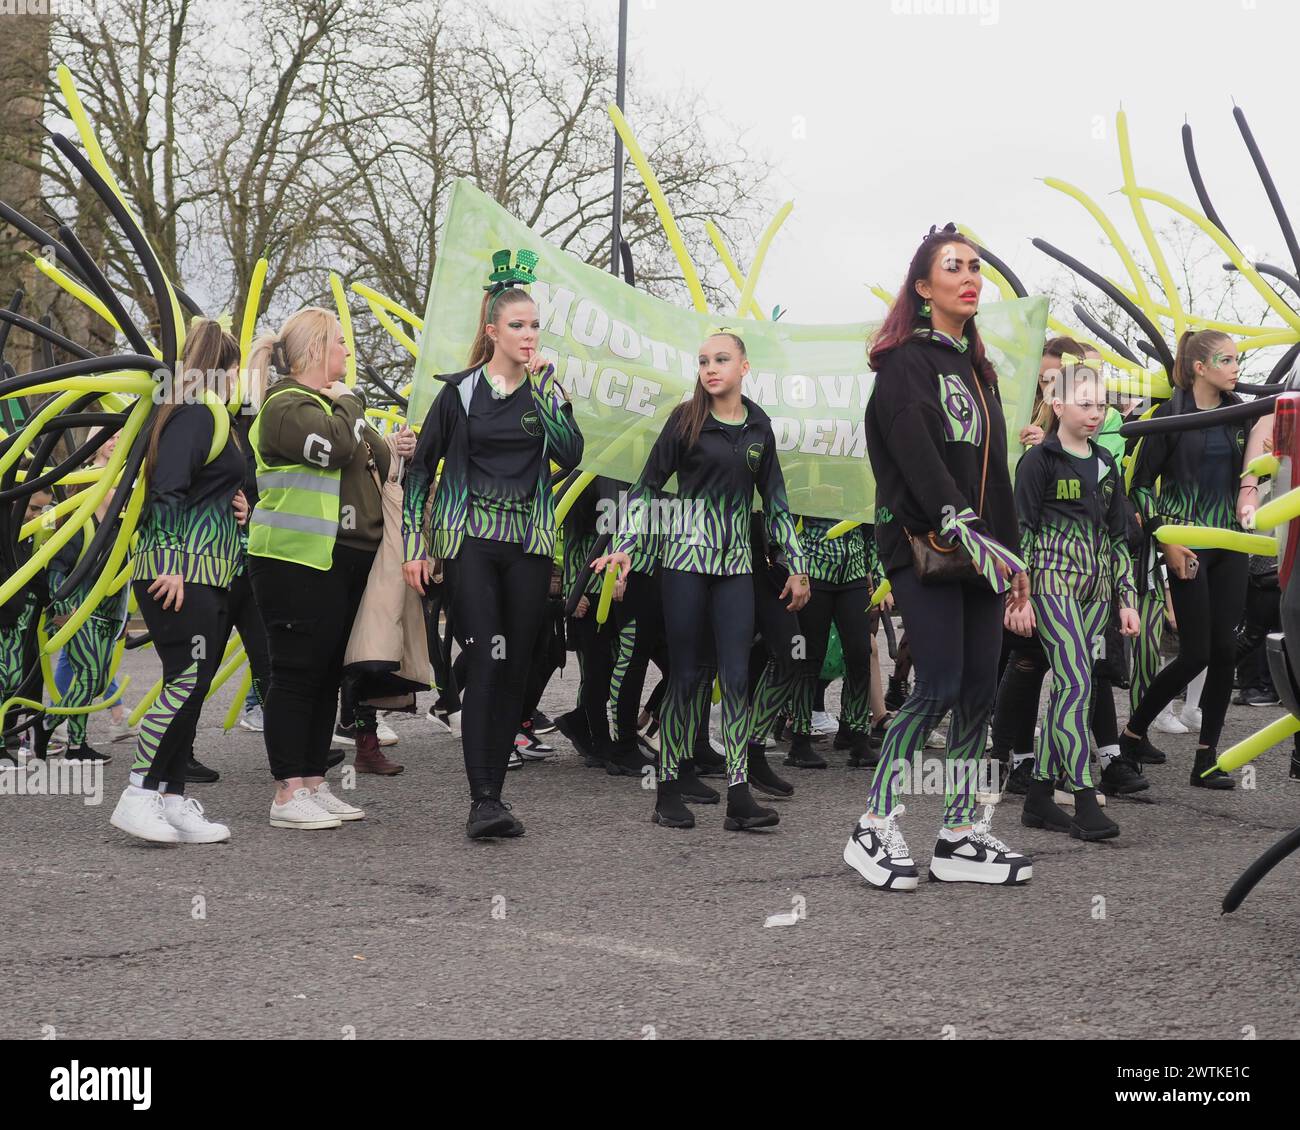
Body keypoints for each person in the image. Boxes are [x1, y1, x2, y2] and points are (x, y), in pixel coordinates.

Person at [842, 223, 1032, 892]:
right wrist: (961, 521)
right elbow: (916, 457)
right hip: (923, 545)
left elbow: (997, 475)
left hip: (982, 553)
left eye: (976, 267)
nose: (970, 277)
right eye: (955, 267)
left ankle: (958, 834)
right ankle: (874, 824)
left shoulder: (978, 370)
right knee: (940, 685)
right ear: (924, 288)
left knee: (980, 687)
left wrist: (1010, 556)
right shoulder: (905, 364)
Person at [593, 330, 810, 832]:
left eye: (721, 359)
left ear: (744, 367)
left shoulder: (759, 427)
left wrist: (797, 565)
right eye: (704, 361)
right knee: (688, 677)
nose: (710, 368)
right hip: (684, 563)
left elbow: (776, 502)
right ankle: (668, 789)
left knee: (735, 678)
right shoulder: (685, 420)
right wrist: (624, 546)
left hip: (736, 567)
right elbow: (646, 488)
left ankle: (739, 796)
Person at [403, 250, 584, 839]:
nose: (529, 335)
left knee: (515, 668)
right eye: (517, 325)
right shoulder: (459, 395)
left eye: (535, 326)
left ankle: (497, 796)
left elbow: (570, 453)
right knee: (486, 660)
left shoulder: (546, 390)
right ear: (492, 332)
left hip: (527, 548)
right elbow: (420, 470)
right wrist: (414, 547)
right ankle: (481, 799)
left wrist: (544, 389)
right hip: (470, 545)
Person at [247, 307, 414, 831]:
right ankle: (286, 790)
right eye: (340, 341)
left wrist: (397, 448)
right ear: (316, 349)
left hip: (338, 559)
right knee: (295, 675)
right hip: (294, 559)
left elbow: (375, 461)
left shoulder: (331, 405)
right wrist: (351, 402)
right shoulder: (285, 405)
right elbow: (337, 448)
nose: (347, 350)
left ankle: (314, 782)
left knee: (324, 676)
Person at [107, 319, 246, 843]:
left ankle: (169, 796)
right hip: (179, 571)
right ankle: (138, 793)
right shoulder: (194, 411)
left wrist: (238, 505)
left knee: (193, 682)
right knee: (186, 680)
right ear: (224, 369)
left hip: (208, 571)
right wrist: (169, 563)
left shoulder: (207, 414)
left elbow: (201, 487)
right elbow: (167, 487)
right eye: (237, 372)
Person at [1012, 363, 1139, 839]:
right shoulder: (1038, 460)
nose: (1095, 413)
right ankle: (1084, 797)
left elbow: (1118, 537)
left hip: (1096, 591)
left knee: (1072, 690)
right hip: (1050, 585)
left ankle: (1039, 796)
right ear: (1058, 404)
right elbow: (1020, 532)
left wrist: (1126, 600)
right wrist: (1018, 596)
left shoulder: (1107, 463)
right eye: (1085, 404)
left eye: (1101, 405)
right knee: (1077, 683)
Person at [1121, 331, 1248, 789]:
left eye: (1237, 359)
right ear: (1199, 367)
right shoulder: (1170, 416)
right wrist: (1166, 541)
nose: (1236, 368)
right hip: (1187, 542)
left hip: (1231, 542)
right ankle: (1132, 735)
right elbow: (1137, 486)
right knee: (1195, 653)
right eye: (1226, 359)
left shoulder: (1242, 415)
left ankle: (1206, 759)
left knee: (1225, 651)